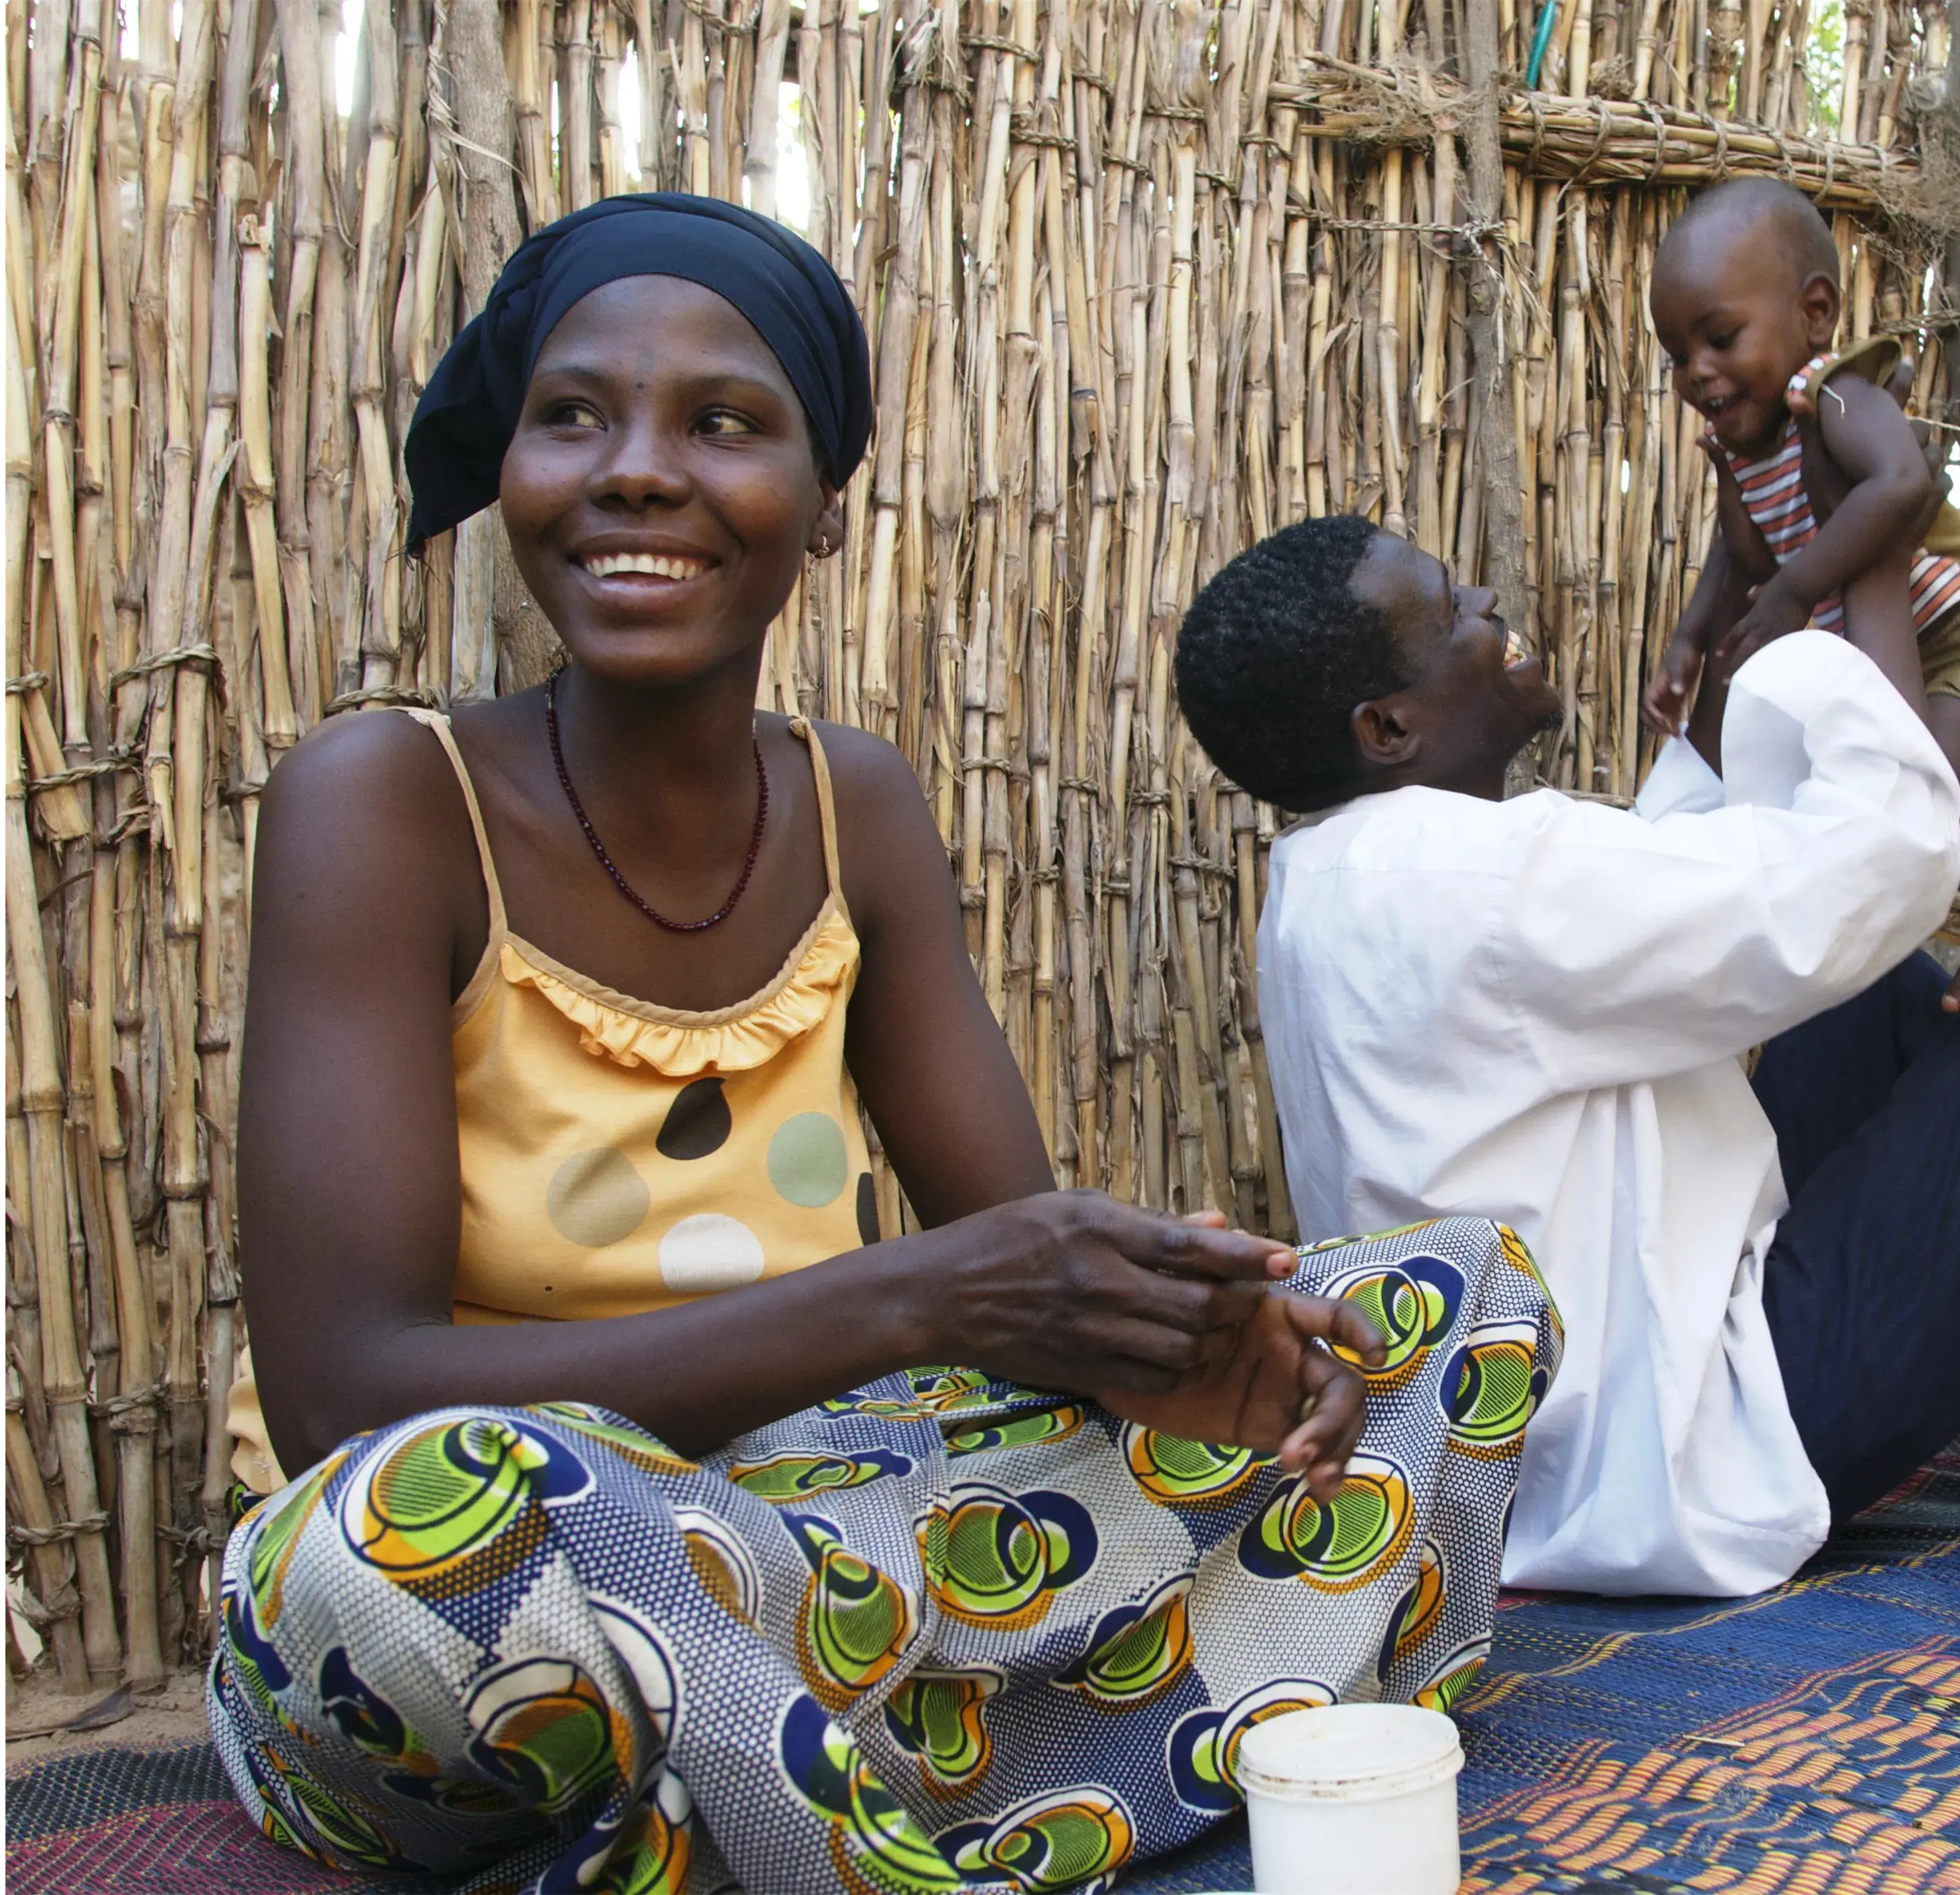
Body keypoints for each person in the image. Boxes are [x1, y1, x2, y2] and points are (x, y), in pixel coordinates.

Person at [214, 194, 1556, 1894]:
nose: (634, 468)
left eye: (721, 421)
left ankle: (791, 1792)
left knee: (1456, 1304)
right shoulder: (388, 801)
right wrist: (922, 1298)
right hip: (463, 1591)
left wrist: (1201, 1334)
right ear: (511, 473)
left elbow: (1019, 1276)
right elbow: (344, 1393)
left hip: (820, 1540)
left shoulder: (852, 806)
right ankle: (986, 1783)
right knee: (498, 1503)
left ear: (822, 506)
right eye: (572, 415)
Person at [1173, 515, 1960, 1598]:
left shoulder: (1342, 877)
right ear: (1387, 724)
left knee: (1868, 999)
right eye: (1448, 609)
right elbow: (1884, 856)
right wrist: (1855, 594)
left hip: (1530, 1467)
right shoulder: (1474, 879)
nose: (1487, 600)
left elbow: (1675, 881)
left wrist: (1736, 591)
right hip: (1687, 1463)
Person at [1641, 178, 1960, 1016]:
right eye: (1679, 355)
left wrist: (1797, 587)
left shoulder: (1835, 394)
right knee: (1869, 783)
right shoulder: (1749, 438)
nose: (1698, 373)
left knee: (1924, 771)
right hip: (1884, 652)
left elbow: (1902, 485)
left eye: (1720, 338)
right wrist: (1688, 640)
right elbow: (1736, 550)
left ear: (1816, 313)